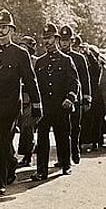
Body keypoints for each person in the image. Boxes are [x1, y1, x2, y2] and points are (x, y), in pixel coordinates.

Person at [0, 10, 41, 195]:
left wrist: (37, 105)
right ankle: (11, 163)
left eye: (4, 27)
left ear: (11, 30)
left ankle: (0, 181)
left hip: (10, 107)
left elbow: (30, 80)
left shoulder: (20, 53)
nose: (0, 31)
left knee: (3, 140)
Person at [31, 24, 79, 180]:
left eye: (50, 38)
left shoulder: (66, 60)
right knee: (42, 139)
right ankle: (41, 171)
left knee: (63, 137)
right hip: (45, 107)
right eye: (45, 38)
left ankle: (66, 165)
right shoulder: (40, 62)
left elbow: (74, 82)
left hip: (61, 106)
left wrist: (70, 98)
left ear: (57, 39)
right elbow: (35, 85)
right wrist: (35, 105)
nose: (47, 41)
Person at [58, 25, 90, 165]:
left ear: (72, 41)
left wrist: (87, 98)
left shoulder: (79, 58)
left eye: (67, 40)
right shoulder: (57, 58)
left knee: (75, 127)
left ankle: (75, 151)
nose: (64, 43)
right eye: (62, 40)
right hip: (61, 99)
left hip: (75, 98)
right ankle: (63, 158)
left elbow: (85, 79)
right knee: (62, 129)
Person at [15, 35, 38, 167]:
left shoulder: (36, 62)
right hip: (17, 100)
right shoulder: (16, 61)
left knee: (27, 129)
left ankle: (27, 157)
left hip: (29, 100)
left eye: (25, 47)